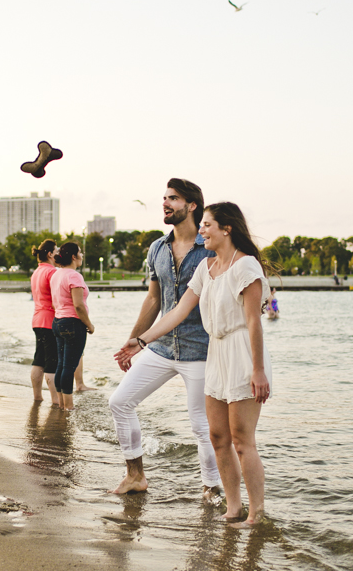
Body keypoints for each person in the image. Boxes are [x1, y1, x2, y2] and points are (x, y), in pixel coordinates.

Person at [116, 202, 272, 527]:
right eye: (201, 225)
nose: (201, 231)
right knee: (218, 437)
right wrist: (141, 340)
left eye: (207, 225)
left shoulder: (247, 268)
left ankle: (256, 514)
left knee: (242, 441)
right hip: (215, 354)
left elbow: (254, 323)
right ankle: (233, 508)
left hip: (242, 354)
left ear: (226, 229)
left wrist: (258, 370)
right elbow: (177, 312)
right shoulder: (207, 268)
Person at [107, 178, 221, 498]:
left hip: (201, 349)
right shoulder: (157, 248)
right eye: (164, 198)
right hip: (161, 346)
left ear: (192, 205)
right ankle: (135, 476)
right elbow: (154, 301)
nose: (166, 203)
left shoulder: (210, 246)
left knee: (201, 426)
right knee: (120, 402)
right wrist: (133, 342)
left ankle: (211, 489)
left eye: (173, 198)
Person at [49, 242, 94, 411]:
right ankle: (68, 406)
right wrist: (89, 324)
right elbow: (78, 306)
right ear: (74, 257)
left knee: (61, 365)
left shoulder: (56, 275)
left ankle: (62, 404)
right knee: (69, 367)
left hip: (58, 321)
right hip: (73, 323)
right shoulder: (74, 276)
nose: (82, 255)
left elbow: (55, 302)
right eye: (80, 252)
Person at [29, 239, 60, 405]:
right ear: (49, 254)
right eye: (56, 251)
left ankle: (37, 396)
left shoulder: (36, 272)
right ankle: (55, 400)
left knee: (38, 359)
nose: (59, 254)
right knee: (51, 363)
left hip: (37, 320)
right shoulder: (52, 272)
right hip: (50, 321)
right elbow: (57, 299)